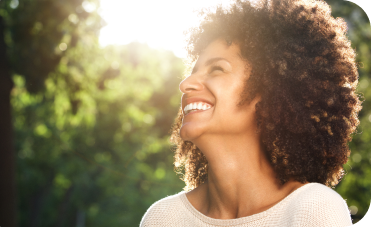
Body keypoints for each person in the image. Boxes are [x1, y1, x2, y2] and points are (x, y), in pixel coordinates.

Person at [140, 0, 360, 226]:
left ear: (268, 90)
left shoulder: (313, 208)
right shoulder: (163, 218)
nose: (186, 83)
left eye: (217, 69)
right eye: (192, 71)